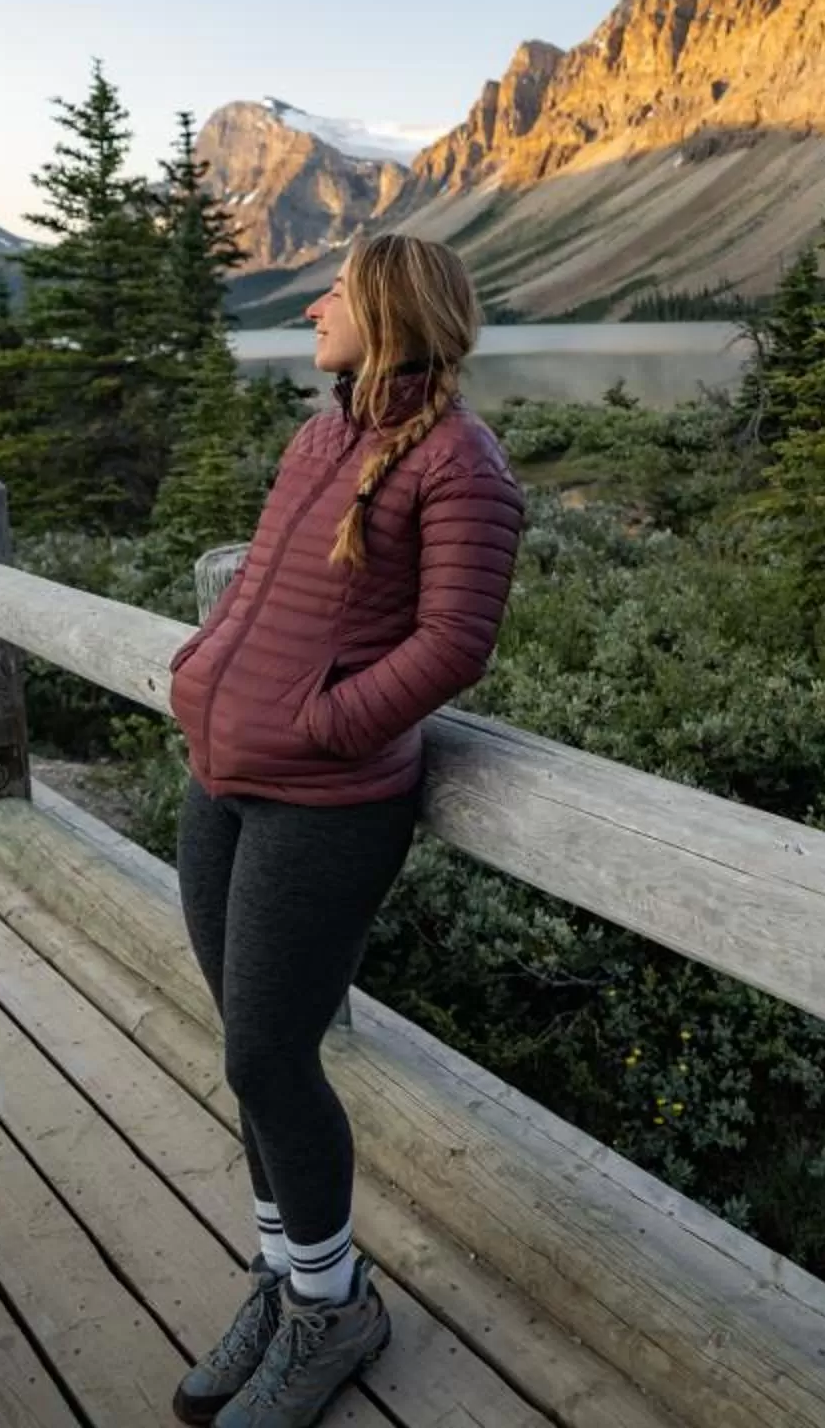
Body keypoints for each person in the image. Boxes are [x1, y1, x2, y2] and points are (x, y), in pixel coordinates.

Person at [164, 231, 525, 1427]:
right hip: (225, 777)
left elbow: (454, 640)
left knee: (269, 1053)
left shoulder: (461, 459)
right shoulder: (324, 431)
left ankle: (334, 1308)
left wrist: (330, 723)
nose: (314, 303)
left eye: (335, 289)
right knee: (245, 1047)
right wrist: (205, 665)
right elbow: (265, 585)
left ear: (388, 309)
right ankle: (289, 1275)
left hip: (325, 801)